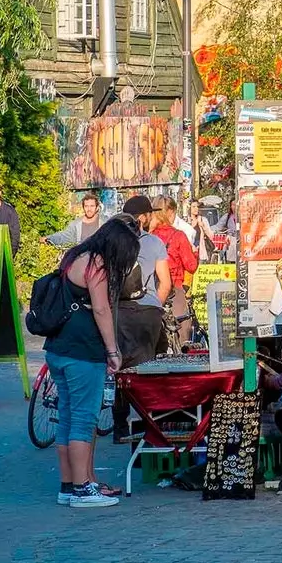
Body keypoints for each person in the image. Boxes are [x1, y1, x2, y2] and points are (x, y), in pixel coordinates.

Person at [46, 218, 139, 508]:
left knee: (67, 416)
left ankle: (69, 485)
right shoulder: (96, 264)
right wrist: (113, 350)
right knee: (84, 419)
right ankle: (83, 489)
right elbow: (100, 308)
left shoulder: (75, 255)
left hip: (58, 347)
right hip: (82, 351)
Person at [112, 197, 171, 442]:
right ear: (143, 218)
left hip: (119, 312)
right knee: (149, 367)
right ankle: (150, 423)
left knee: (121, 367)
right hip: (147, 312)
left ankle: (120, 426)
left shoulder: (113, 242)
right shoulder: (155, 242)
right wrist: (154, 304)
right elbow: (165, 283)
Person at [151, 197, 199, 343]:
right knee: (182, 331)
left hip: (152, 291)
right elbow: (191, 266)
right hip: (174, 289)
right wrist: (195, 253)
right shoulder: (179, 236)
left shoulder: (148, 236)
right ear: (170, 212)